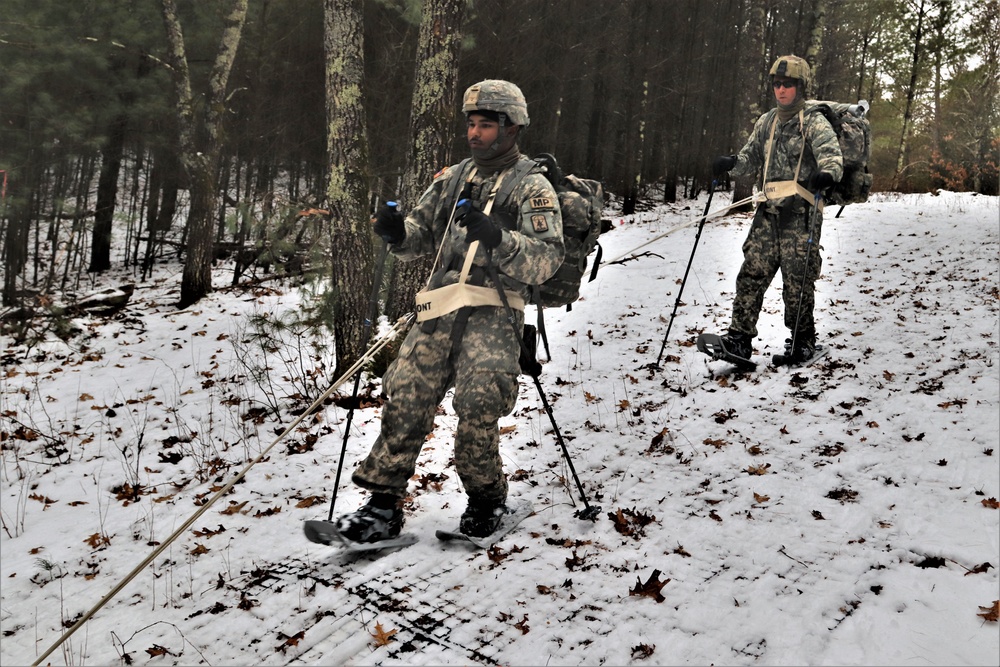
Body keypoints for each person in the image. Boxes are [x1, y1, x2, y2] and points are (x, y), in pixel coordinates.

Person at [334, 80, 564, 543]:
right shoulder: (453, 177)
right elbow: (420, 233)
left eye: (485, 125)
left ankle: (486, 498)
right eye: (471, 124)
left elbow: (547, 259)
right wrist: (397, 232)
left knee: (478, 405)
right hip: (440, 307)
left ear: (511, 128)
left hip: (493, 311)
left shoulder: (532, 186)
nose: (474, 133)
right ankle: (381, 508)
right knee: (405, 396)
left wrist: (499, 238)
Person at [712, 55, 843, 364]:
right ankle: (739, 339)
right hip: (768, 213)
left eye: (788, 84)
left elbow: (832, 157)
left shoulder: (813, 121)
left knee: (797, 280)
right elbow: (750, 157)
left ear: (801, 86)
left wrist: (827, 174)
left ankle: (802, 340)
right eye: (777, 84)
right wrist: (732, 164)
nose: (781, 90)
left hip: (801, 215)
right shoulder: (767, 121)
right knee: (751, 273)